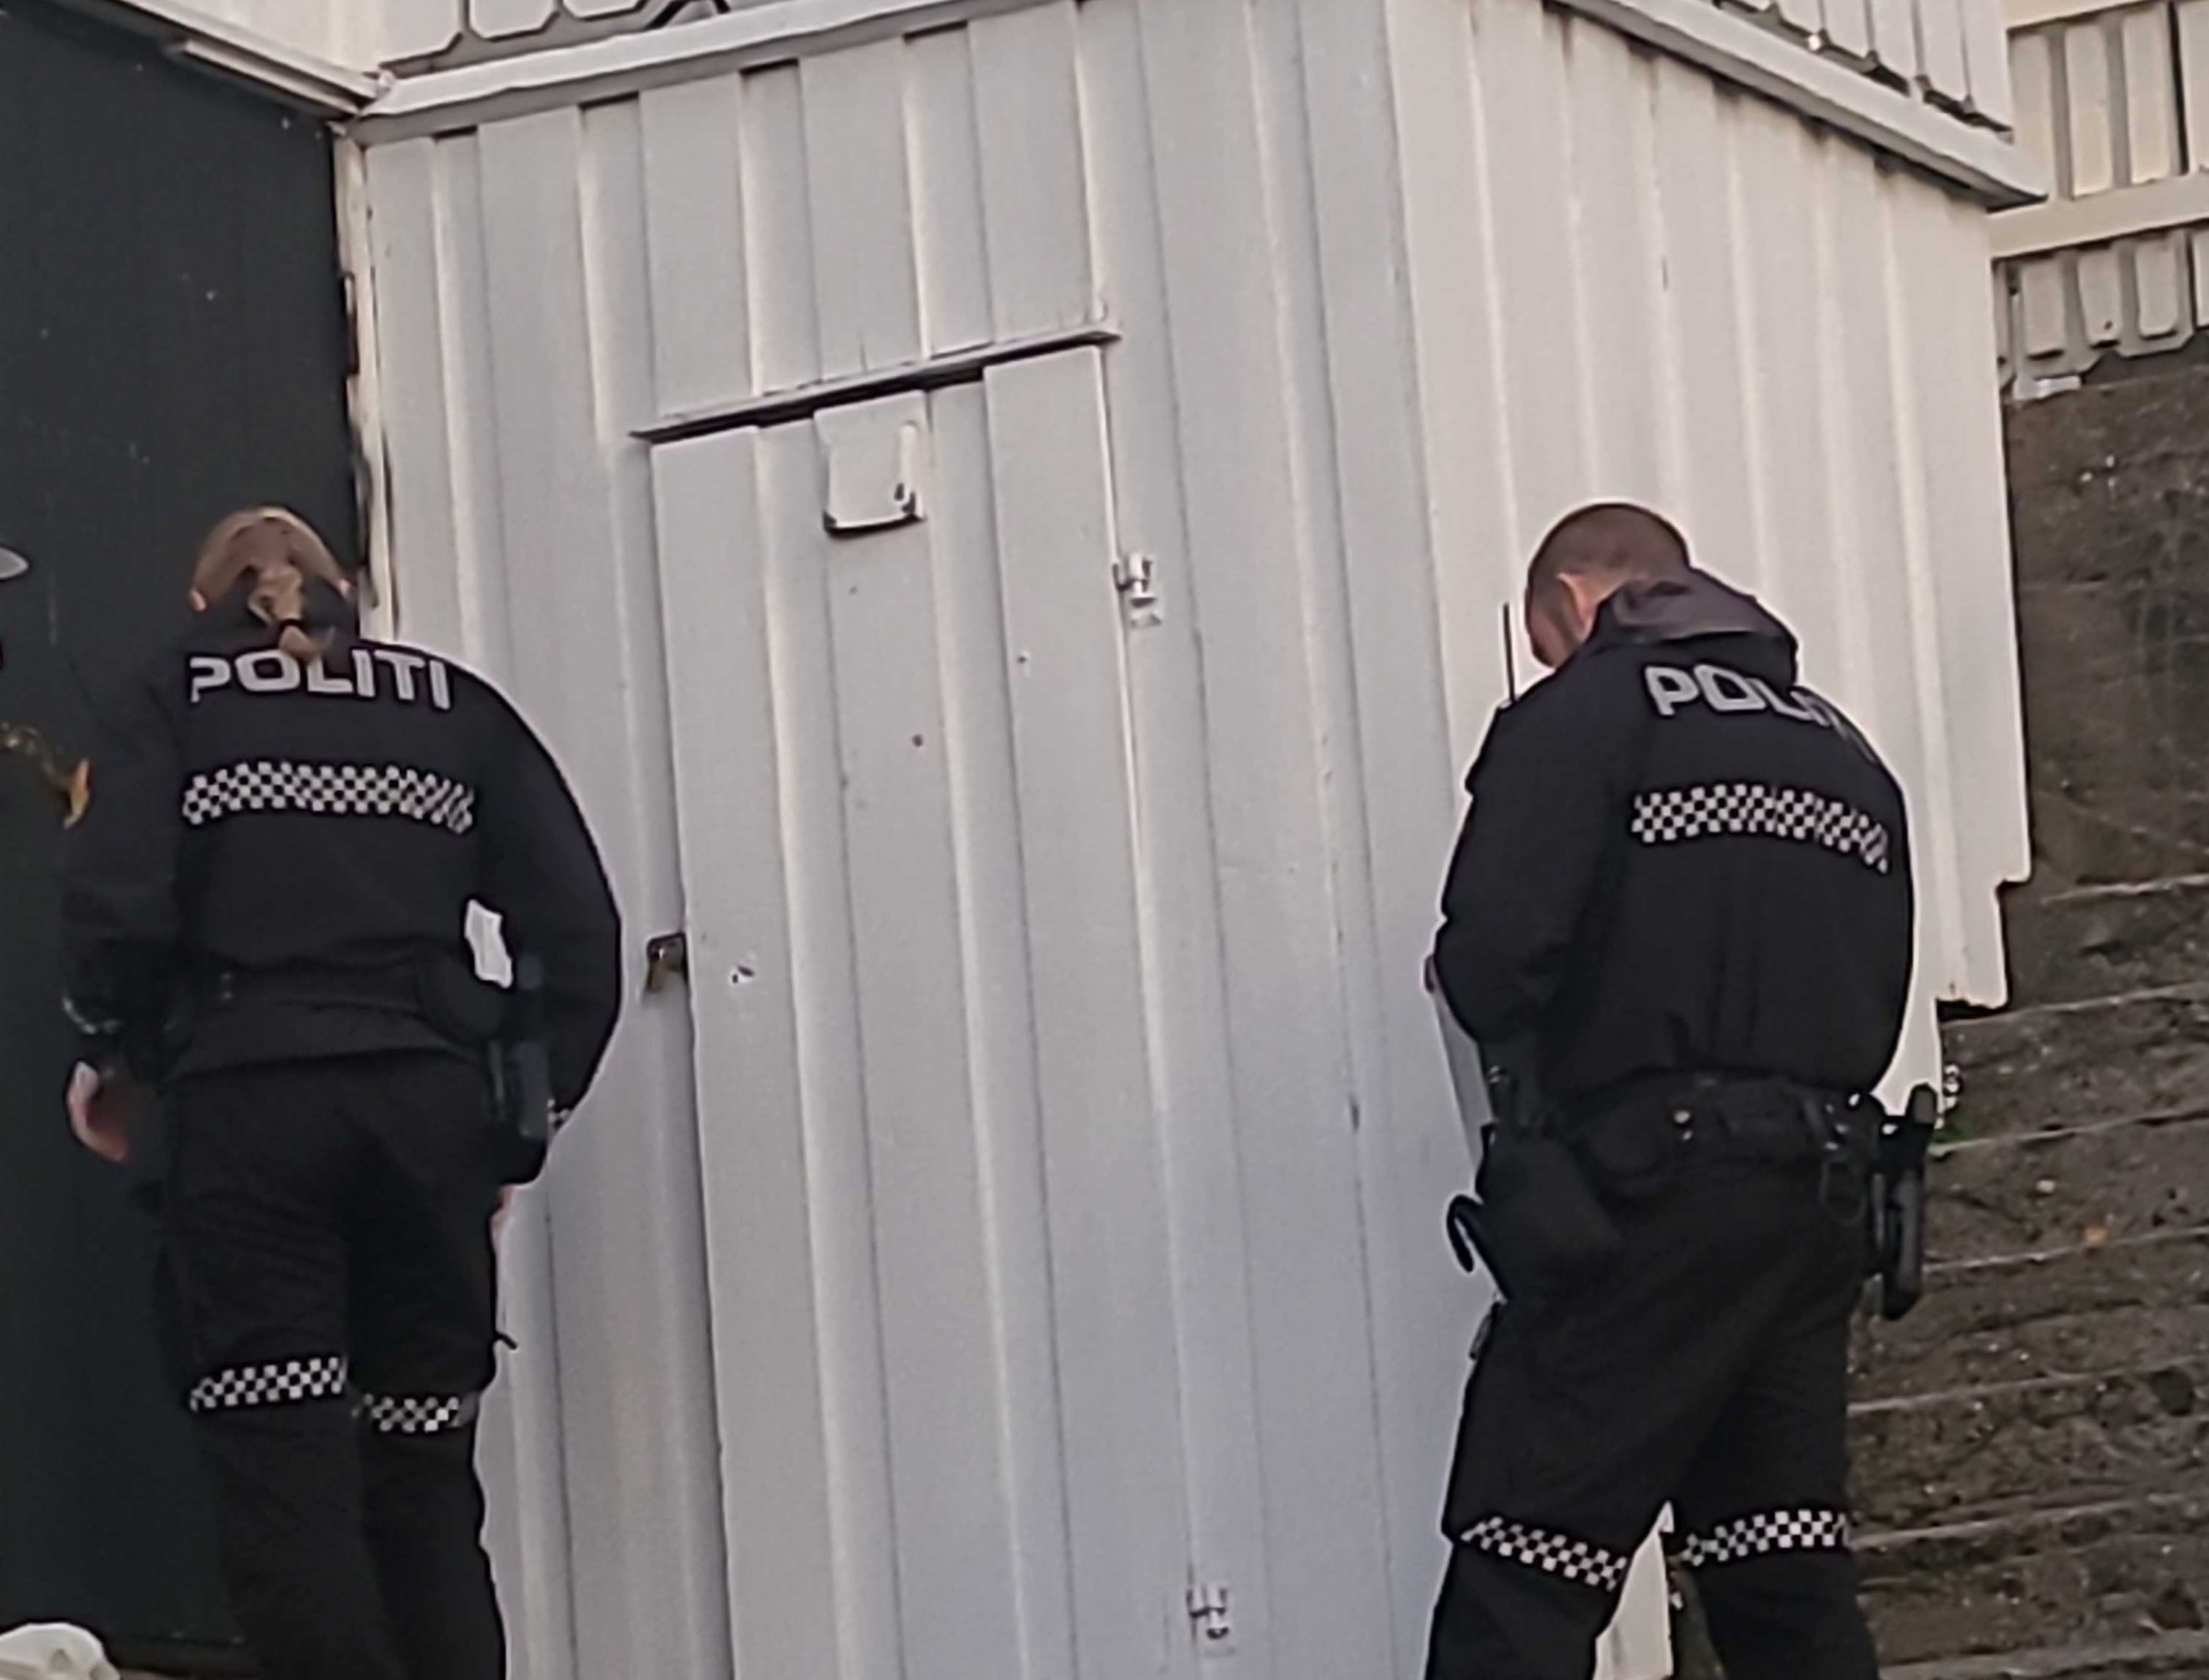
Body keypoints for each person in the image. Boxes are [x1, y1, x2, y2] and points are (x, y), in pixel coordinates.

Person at [57, 508, 622, 1680]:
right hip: (427, 1117)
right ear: (345, 593)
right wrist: (516, 1124)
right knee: (423, 1481)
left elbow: (116, 913)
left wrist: (122, 1060)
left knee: (286, 1479)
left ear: (203, 604)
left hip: (249, 1113)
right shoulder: (453, 707)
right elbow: (578, 936)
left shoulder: (173, 698)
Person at [1426, 503, 1914, 1680]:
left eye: (1545, 640)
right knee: (1778, 1567)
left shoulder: (1583, 716)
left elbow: (1491, 961)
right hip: (1818, 1200)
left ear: (1570, 603)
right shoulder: (1844, 752)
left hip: (1651, 1197)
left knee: (1523, 1561)